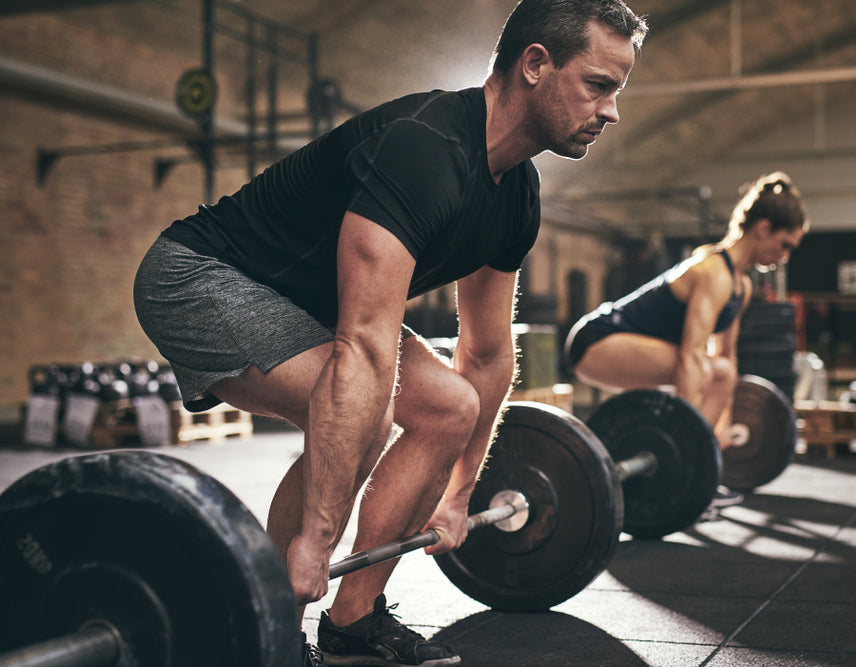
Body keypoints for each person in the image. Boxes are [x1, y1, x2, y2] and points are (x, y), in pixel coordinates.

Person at [133, 1, 648, 665]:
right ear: (535, 65)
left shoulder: (516, 196)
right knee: (362, 413)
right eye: (599, 86)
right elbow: (365, 348)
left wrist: (461, 493)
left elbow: (487, 353)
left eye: (617, 92)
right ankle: (270, 633)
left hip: (310, 302)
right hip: (200, 277)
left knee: (450, 405)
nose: (610, 111)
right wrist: (315, 540)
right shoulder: (424, 147)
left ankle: (353, 621)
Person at [564, 172, 808, 504]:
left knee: (722, 370)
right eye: (785, 245)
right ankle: (686, 465)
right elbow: (691, 357)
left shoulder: (741, 285)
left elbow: (727, 356)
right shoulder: (712, 272)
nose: (785, 256)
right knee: (706, 370)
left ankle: (694, 469)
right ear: (763, 228)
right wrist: (683, 434)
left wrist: (724, 423)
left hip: (631, 347)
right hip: (595, 340)